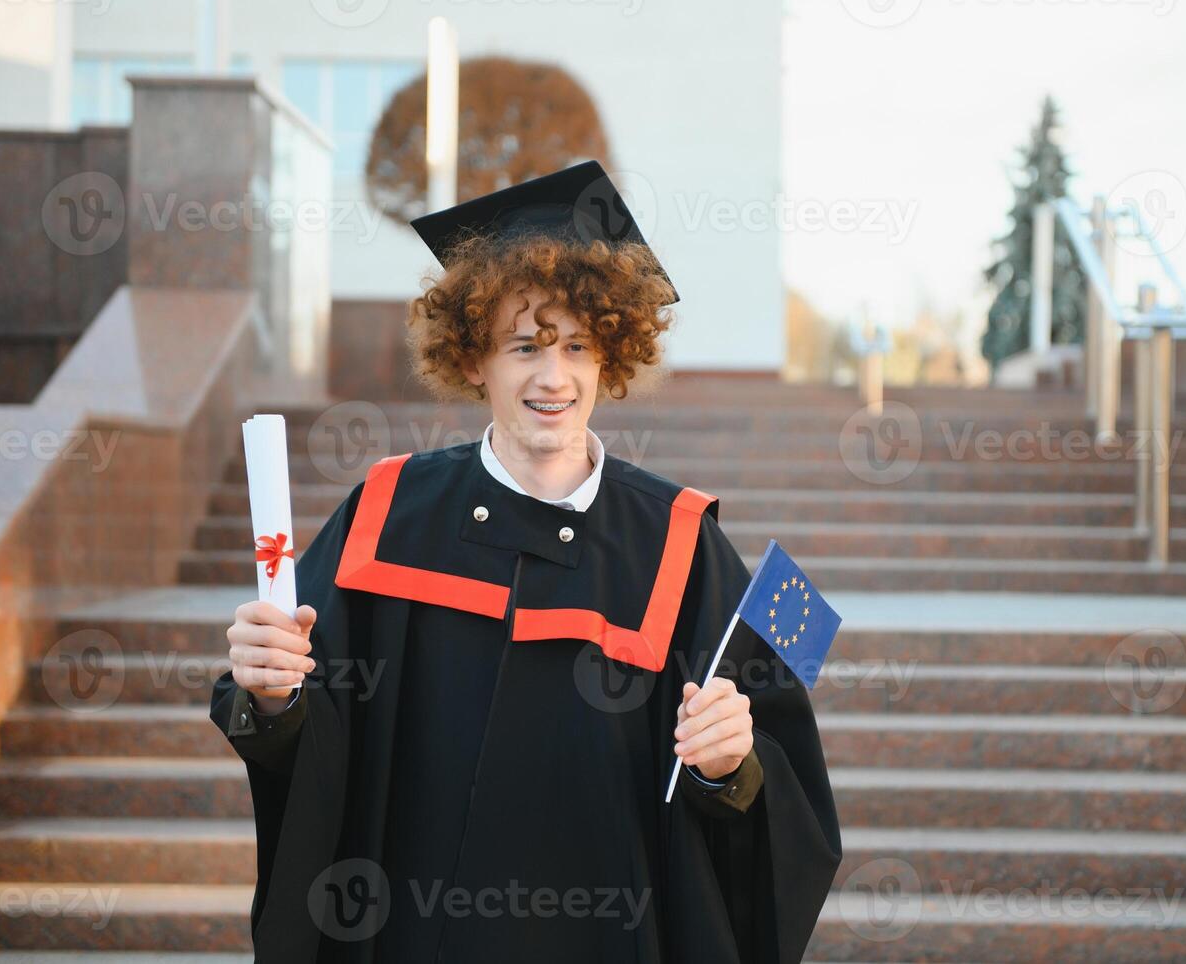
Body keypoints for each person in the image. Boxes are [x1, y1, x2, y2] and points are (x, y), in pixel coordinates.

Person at [210, 161, 841, 963]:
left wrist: (731, 768)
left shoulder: (682, 541)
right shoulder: (387, 512)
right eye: (524, 346)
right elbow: (297, 725)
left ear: (609, 357)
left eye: (578, 345)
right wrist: (267, 695)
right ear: (474, 359)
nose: (554, 376)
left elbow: (782, 783)